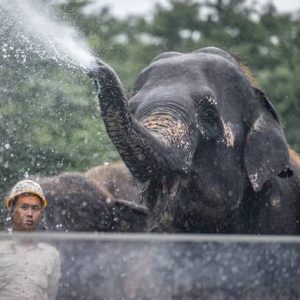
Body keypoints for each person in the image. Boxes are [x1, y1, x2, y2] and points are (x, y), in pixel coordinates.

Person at [0, 179, 61, 300]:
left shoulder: (51, 254)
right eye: (24, 207)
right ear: (12, 210)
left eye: (35, 208)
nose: (30, 213)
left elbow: (51, 295)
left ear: (41, 214)